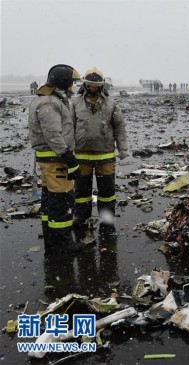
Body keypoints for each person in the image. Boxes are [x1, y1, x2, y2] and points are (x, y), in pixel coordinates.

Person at [28, 64, 85, 254]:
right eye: (71, 83)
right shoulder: (49, 103)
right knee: (61, 202)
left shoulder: (49, 100)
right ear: (63, 82)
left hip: (49, 161)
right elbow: (53, 134)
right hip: (56, 162)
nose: (73, 87)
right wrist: (69, 158)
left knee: (49, 202)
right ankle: (63, 245)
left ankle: (52, 240)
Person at [72, 67, 128, 237]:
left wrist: (123, 148)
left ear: (102, 86)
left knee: (107, 194)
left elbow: (119, 127)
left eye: (96, 85)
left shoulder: (111, 103)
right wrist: (66, 151)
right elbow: (69, 128)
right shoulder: (75, 103)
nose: (93, 87)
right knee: (81, 194)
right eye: (90, 84)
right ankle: (81, 220)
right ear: (85, 84)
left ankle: (107, 224)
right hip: (81, 157)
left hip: (106, 157)